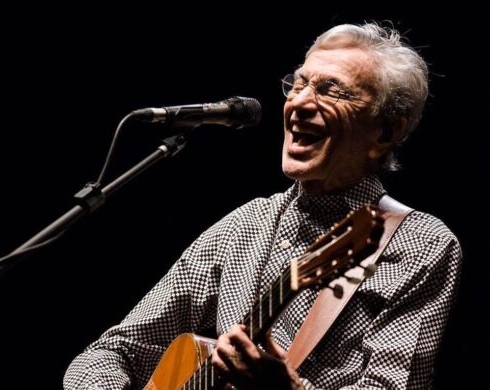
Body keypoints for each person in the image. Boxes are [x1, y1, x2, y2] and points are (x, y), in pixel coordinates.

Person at [63, 23, 462, 389]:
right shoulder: (243, 226)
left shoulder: (421, 245)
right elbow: (113, 352)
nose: (299, 103)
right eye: (299, 84)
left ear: (386, 130)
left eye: (330, 90)